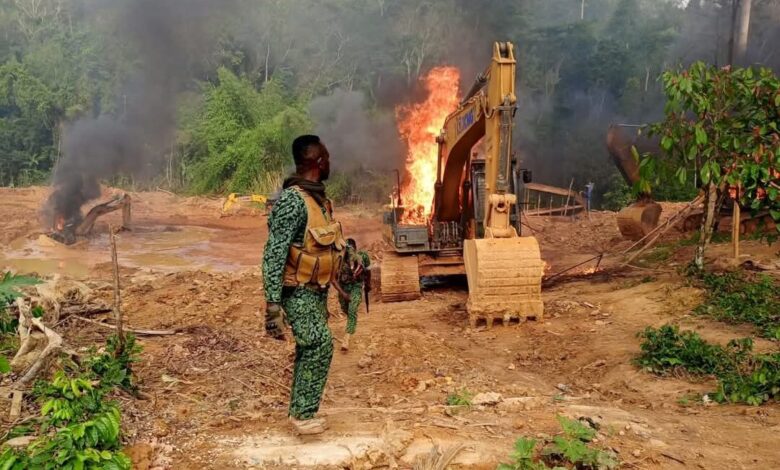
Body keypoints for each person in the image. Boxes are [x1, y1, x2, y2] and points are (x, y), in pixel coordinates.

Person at [262, 134, 347, 435]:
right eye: (327, 156)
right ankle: (303, 416)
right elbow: (274, 253)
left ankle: (301, 412)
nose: (329, 162)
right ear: (318, 161)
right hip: (297, 291)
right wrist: (272, 304)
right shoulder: (293, 201)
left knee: (311, 347)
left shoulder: (318, 201)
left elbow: (325, 244)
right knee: (318, 344)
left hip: (315, 291)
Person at [338, 238, 371, 351]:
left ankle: (346, 338)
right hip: (343, 288)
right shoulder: (339, 260)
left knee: (352, 310)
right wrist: (342, 293)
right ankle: (351, 321)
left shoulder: (361, 257)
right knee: (345, 309)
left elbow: (367, 270)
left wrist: (368, 284)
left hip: (356, 287)